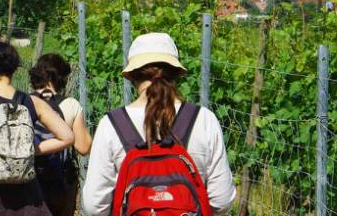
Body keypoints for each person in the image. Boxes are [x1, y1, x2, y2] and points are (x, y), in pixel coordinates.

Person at [81, 33, 236, 215]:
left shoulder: (111, 125)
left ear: (132, 76)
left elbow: (94, 206)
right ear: (177, 73)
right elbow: (222, 201)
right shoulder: (204, 119)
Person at [0, 42, 75, 216]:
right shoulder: (33, 102)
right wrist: (30, 150)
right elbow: (67, 137)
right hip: (26, 194)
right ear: (14, 69)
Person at [28, 53, 92, 216]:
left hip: (26, 182)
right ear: (62, 79)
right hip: (59, 187)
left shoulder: (22, 102)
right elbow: (83, 147)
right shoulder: (70, 105)